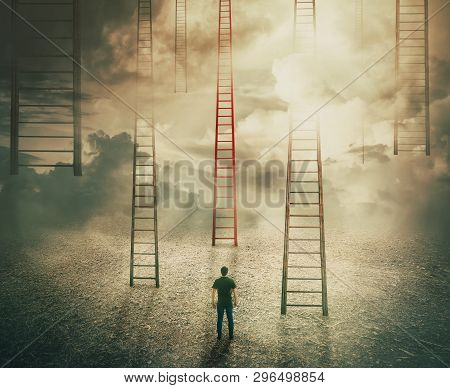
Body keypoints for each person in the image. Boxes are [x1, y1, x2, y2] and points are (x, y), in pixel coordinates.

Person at [211, 266, 237, 340]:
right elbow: (235, 292)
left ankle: (219, 335)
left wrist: (213, 302)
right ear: (227, 272)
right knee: (230, 319)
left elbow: (213, 292)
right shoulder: (231, 281)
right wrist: (235, 301)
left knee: (219, 319)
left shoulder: (217, 281)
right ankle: (231, 335)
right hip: (228, 302)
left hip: (220, 302)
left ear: (221, 272)